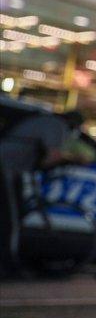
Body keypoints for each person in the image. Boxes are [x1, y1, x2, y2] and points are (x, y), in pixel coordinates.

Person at [0, 110, 89, 275]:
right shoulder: (57, 126)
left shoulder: (46, 121)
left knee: (16, 211)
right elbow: (52, 157)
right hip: (7, 167)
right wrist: (73, 159)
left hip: (15, 169)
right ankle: (6, 264)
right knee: (10, 218)